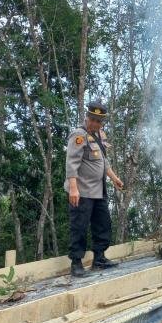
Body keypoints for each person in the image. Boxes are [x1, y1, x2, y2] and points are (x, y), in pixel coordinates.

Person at [65, 99, 124, 277]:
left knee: (103, 223)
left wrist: (114, 178)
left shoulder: (100, 135)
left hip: (99, 190)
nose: (96, 124)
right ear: (87, 117)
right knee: (79, 226)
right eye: (93, 120)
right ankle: (76, 263)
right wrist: (74, 189)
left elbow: (103, 161)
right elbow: (71, 163)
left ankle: (99, 258)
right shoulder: (79, 135)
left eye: (99, 121)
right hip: (82, 190)